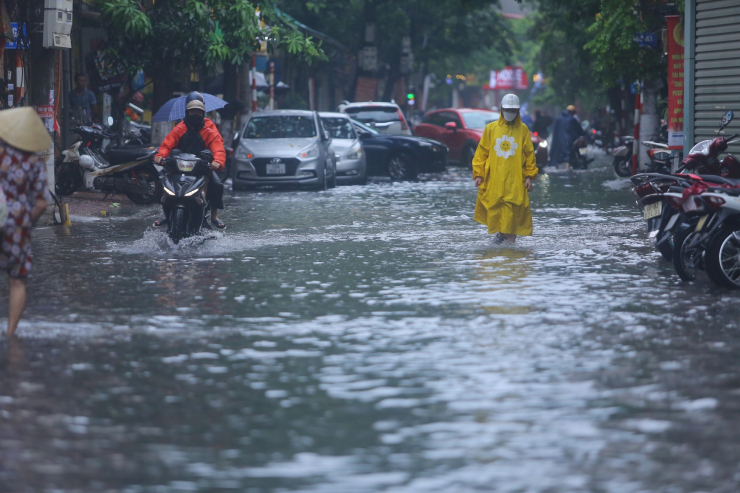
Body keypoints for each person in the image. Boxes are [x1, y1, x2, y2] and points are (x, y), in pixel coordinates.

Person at [0, 107, 52, 337]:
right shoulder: (33, 163)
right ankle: (10, 334)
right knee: (18, 280)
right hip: (18, 224)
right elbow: (41, 204)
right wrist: (25, 224)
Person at [153, 92, 226, 229]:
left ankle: (214, 216)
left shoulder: (209, 130)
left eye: (198, 112)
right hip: (179, 166)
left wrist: (218, 161)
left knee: (217, 184)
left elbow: (218, 149)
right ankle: (165, 214)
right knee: (162, 180)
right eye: (192, 112)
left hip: (201, 166)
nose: (195, 114)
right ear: (187, 112)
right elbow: (167, 145)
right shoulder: (179, 128)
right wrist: (160, 155)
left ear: (203, 113)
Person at [472, 94, 538, 245]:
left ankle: (509, 247)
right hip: (495, 179)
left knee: (513, 211)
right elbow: (481, 153)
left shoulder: (523, 130)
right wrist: (479, 174)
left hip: (515, 180)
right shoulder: (491, 129)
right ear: (502, 109)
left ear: (518, 110)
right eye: (507, 109)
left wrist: (529, 176)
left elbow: (529, 155)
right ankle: (502, 238)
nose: (510, 112)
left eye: (513, 109)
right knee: (496, 209)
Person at [549, 104, 584, 170]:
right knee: (569, 155)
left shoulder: (558, 119)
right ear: (572, 112)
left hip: (558, 143)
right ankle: (568, 168)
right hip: (569, 142)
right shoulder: (572, 119)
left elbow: (554, 131)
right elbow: (579, 130)